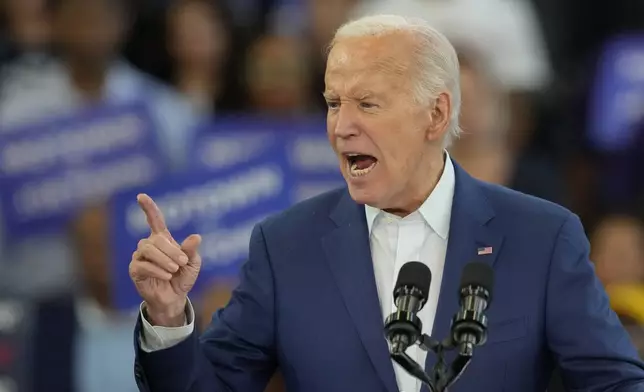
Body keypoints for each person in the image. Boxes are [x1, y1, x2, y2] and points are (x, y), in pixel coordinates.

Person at [129, 15, 644, 392]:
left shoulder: (542, 237)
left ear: (435, 115)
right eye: (333, 103)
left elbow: (614, 384)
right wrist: (168, 317)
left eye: (367, 103)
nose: (341, 126)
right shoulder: (286, 245)